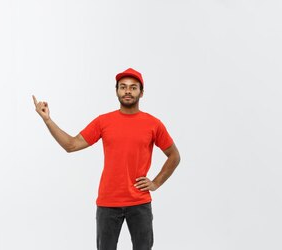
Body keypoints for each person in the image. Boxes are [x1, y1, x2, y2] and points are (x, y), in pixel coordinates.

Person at [32, 68, 181, 250]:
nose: (127, 91)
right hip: (108, 202)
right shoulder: (104, 122)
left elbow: (174, 155)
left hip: (139, 202)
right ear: (116, 91)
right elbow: (71, 145)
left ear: (141, 93)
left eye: (133, 88)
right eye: (123, 87)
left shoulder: (153, 124)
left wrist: (156, 183)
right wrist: (47, 120)